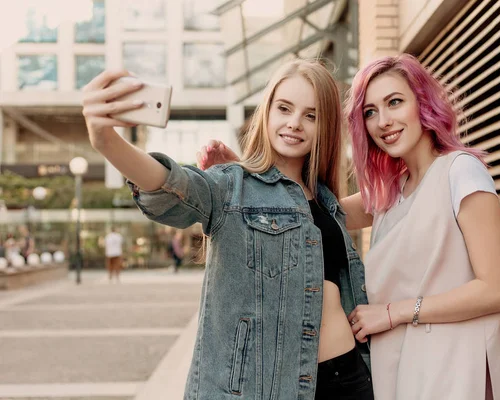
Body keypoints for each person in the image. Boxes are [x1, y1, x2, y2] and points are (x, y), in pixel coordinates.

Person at [198, 54, 500, 400]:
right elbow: (306, 216)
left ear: (422, 103)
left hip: (454, 366)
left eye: (395, 102)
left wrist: (392, 313)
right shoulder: (391, 194)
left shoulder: (460, 171)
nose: (383, 121)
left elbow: (498, 289)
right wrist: (245, 183)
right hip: (405, 368)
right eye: (370, 112)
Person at [81, 61, 373, 399]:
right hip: (269, 388)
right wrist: (105, 140)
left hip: (349, 378)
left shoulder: (326, 201)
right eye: (284, 108)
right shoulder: (229, 186)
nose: (294, 123)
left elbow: (391, 200)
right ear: (266, 112)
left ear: (326, 126)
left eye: (311, 115)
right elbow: (171, 184)